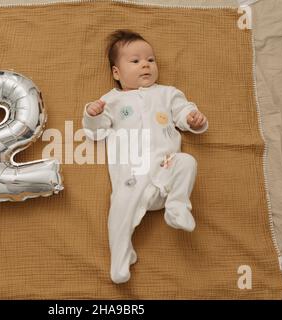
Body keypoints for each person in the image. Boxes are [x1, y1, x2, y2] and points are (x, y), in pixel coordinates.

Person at [82, 29, 208, 284]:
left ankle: (177, 206)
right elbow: (95, 133)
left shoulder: (167, 93)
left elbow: (183, 112)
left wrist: (192, 119)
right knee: (118, 210)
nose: (146, 65)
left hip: (166, 172)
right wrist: (92, 115)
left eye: (150, 60)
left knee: (187, 162)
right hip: (132, 180)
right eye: (135, 61)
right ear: (116, 73)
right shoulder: (111, 100)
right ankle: (120, 258)